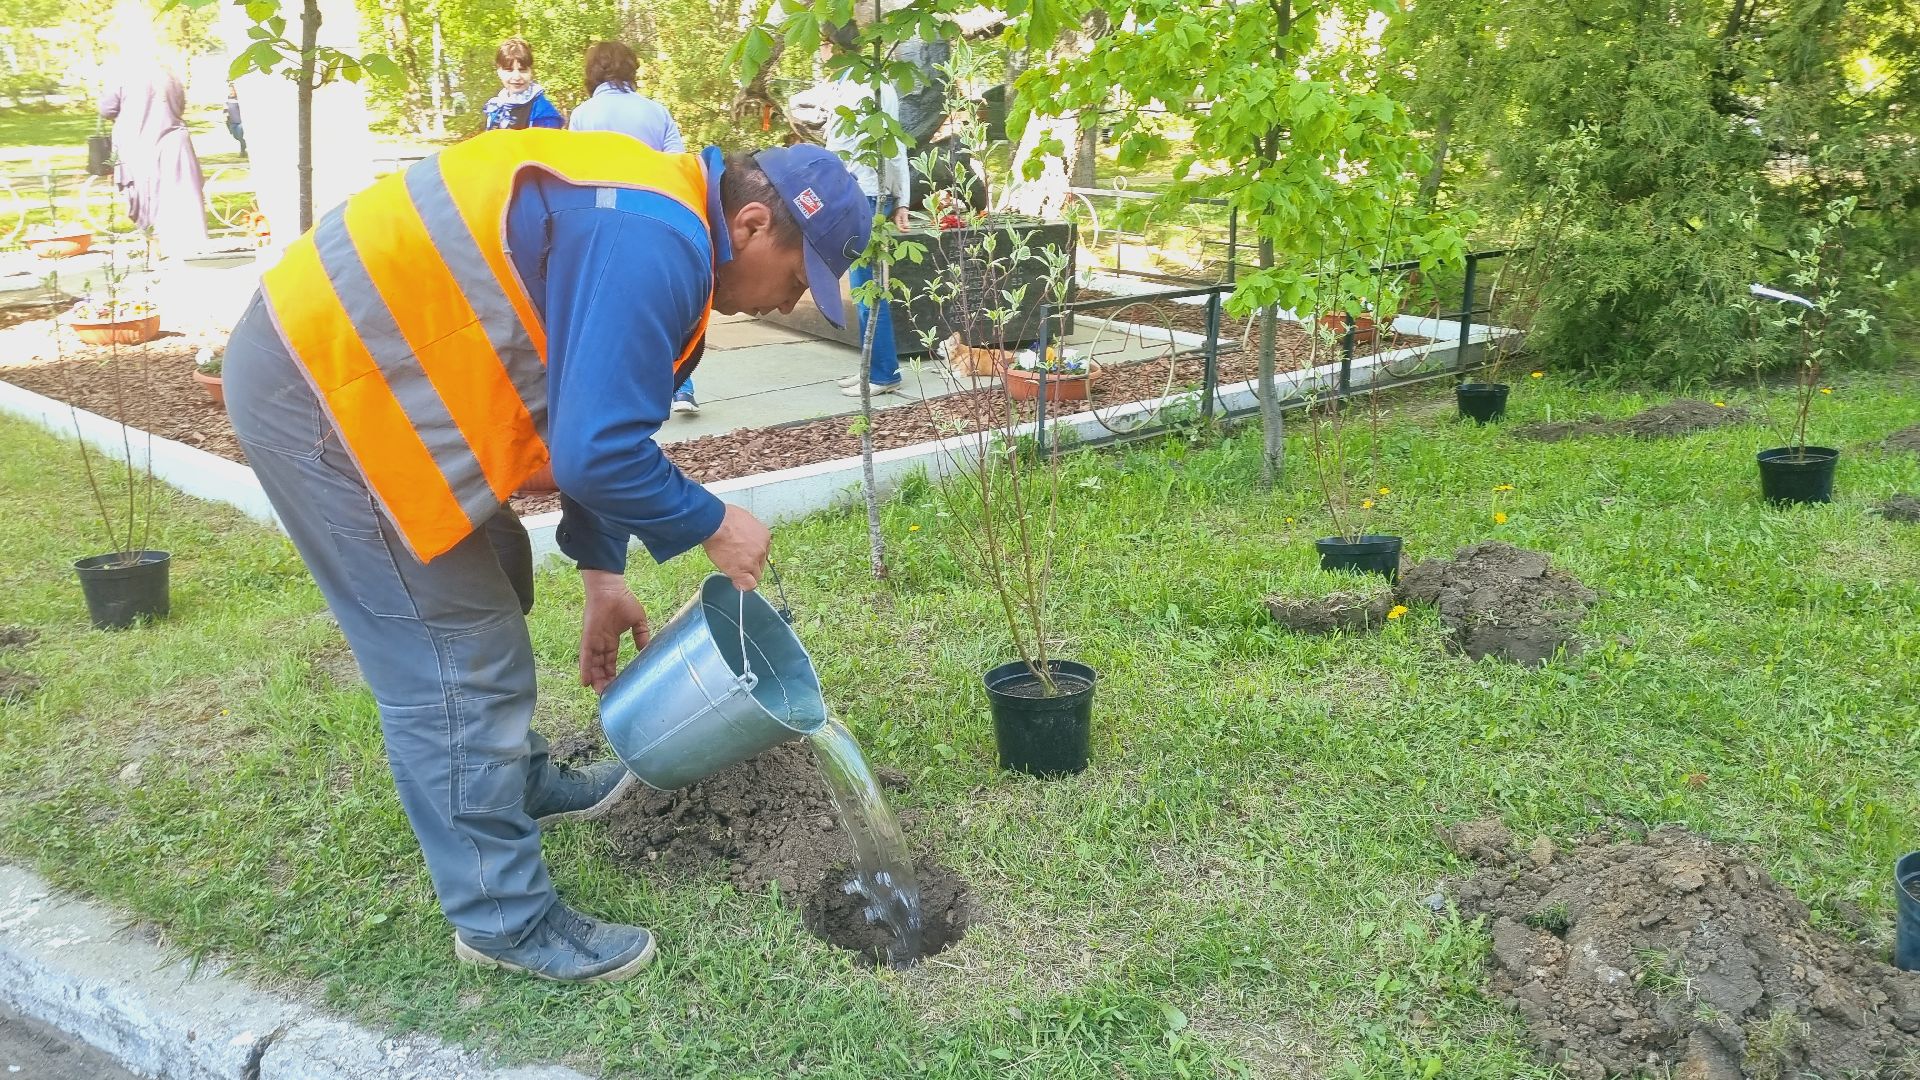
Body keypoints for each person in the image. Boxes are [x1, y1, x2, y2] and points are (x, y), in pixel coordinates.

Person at [220, 131, 870, 983]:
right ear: (750, 224)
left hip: (386, 379)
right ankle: (504, 919)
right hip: (326, 386)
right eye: (797, 276)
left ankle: (510, 782)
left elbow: (595, 417)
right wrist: (714, 522)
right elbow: (596, 452)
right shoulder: (656, 239)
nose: (789, 301)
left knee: (499, 579)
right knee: (457, 653)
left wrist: (604, 573)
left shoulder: (667, 224)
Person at [568, 40, 700, 417]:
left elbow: (575, 172)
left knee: (609, 309)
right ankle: (682, 387)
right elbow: (679, 165)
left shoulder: (583, 115)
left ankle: (618, 396)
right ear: (631, 68)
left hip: (603, 222)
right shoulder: (655, 112)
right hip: (655, 216)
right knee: (666, 308)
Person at [788, 28, 910, 398]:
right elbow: (896, 145)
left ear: (833, 47)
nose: (821, 52)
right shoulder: (872, 82)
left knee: (867, 287)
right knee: (865, 286)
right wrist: (902, 198)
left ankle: (884, 372)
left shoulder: (858, 88)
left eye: (823, 45)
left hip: (861, 193)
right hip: (873, 192)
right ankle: (873, 368)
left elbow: (842, 149)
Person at [98, 18, 207, 260]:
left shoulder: (122, 74)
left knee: (145, 200)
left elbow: (106, 109)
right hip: (173, 145)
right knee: (177, 198)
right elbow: (180, 106)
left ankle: (157, 251)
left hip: (139, 146)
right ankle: (181, 251)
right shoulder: (168, 74)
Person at [483, 38, 564, 131]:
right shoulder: (495, 108)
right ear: (499, 72)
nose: (517, 77)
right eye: (509, 70)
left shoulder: (543, 112)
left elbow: (549, 144)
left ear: (531, 71)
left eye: (522, 70)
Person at [224, 83, 246, 158]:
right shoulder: (227, 99)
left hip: (240, 122)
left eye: (232, 90)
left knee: (240, 136)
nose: (231, 91)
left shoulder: (239, 99)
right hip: (231, 122)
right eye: (230, 90)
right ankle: (244, 146)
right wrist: (225, 115)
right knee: (235, 137)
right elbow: (225, 109)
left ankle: (243, 152)